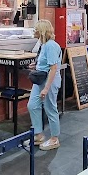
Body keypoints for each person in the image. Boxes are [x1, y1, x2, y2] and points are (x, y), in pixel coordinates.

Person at [27, 20, 63, 150]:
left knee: (50, 109)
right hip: (40, 80)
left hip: (49, 81)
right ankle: (39, 134)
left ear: (41, 31)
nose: (34, 32)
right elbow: (45, 63)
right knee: (32, 105)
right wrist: (35, 66)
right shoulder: (43, 45)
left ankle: (54, 138)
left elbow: (53, 68)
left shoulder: (51, 46)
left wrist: (46, 88)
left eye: (36, 29)